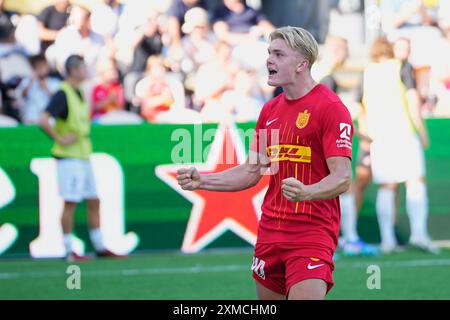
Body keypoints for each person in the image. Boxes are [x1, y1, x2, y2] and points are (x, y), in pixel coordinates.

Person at [177, 26, 353, 300]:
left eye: (279, 54)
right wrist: (203, 180)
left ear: (302, 64)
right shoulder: (270, 109)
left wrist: (308, 192)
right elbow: (251, 171)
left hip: (311, 234)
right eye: (269, 53)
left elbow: (342, 177)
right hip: (270, 233)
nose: (269, 60)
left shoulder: (330, 108)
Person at [39, 55, 122, 261]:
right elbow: (43, 119)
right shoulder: (63, 93)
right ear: (74, 70)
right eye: (83, 68)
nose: (86, 71)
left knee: (94, 200)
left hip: (83, 154)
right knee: (71, 203)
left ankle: (100, 246)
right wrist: (59, 138)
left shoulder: (80, 92)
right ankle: (68, 250)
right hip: (69, 157)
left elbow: (83, 116)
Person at [361, 37, 438, 254]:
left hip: (379, 136)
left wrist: (367, 135)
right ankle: (419, 235)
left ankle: (387, 241)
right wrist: (422, 132)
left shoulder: (367, 72)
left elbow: (360, 106)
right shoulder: (401, 67)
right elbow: (413, 101)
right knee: (415, 182)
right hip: (403, 132)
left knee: (387, 186)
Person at [19, 54, 61, 124]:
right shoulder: (27, 81)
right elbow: (22, 95)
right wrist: (31, 81)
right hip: (30, 119)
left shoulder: (55, 82)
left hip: (49, 121)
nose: (41, 70)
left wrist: (46, 88)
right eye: (38, 67)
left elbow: (57, 101)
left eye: (43, 67)